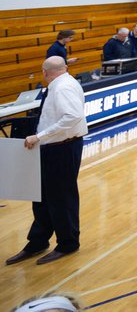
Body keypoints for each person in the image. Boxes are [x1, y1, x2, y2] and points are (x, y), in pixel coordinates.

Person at [6, 58, 87, 265]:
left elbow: (73, 116)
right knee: (40, 196)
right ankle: (38, 240)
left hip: (62, 148)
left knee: (61, 198)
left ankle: (68, 243)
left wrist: (39, 136)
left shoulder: (63, 88)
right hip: (53, 148)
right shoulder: (63, 84)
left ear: (44, 72)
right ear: (65, 68)